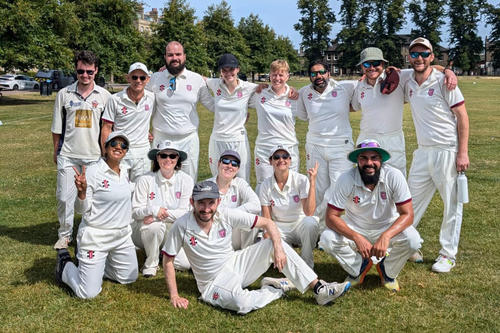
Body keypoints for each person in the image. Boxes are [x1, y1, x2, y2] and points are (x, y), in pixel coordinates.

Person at [161, 181, 350, 315]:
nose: (206, 208)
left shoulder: (225, 214)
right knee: (241, 304)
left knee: (273, 244)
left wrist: (277, 247)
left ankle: (319, 289)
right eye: (201, 202)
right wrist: (174, 296)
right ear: (192, 202)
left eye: (211, 202)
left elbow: (267, 223)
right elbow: (168, 260)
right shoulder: (182, 225)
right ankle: (274, 289)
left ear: (218, 202)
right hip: (212, 283)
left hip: (235, 263)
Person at [319, 140, 421, 291]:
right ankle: (359, 267)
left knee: (413, 240)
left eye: (374, 158)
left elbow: (408, 214)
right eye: (363, 158)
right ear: (357, 161)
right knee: (327, 239)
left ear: (381, 160)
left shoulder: (394, 176)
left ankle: (387, 271)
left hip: (387, 226)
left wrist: (386, 236)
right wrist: (356, 237)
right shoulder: (346, 178)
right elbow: (331, 217)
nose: (369, 163)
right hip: (356, 227)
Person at [405, 37, 470, 273]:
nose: (419, 58)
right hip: (423, 152)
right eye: (414, 54)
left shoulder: (444, 81)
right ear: (409, 57)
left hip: (447, 150)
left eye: (424, 54)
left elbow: (462, 116)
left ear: (432, 56)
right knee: (409, 203)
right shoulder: (408, 80)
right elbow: (386, 73)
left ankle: (447, 254)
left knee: (452, 205)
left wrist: (462, 152)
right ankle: (407, 245)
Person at [55, 132, 138, 299]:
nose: (118, 147)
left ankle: (97, 267)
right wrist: (82, 193)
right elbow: (81, 210)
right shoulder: (93, 171)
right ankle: (65, 265)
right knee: (88, 293)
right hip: (95, 235)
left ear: (126, 151)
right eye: (114, 143)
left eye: (123, 145)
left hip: (121, 235)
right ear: (105, 148)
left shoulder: (126, 171)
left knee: (129, 278)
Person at [351, 47, 458, 177]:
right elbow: (353, 106)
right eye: (367, 64)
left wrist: (448, 71)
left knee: (396, 181)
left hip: (392, 139)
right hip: (367, 138)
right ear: (361, 66)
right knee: (366, 181)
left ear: (383, 64)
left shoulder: (397, 76)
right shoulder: (359, 86)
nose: (371, 68)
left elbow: (426, 67)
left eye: (376, 63)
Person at [51, 50, 112, 249]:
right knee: (64, 198)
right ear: (76, 70)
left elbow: (111, 128)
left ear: (96, 71)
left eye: (89, 72)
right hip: (68, 155)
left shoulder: (105, 96)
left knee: (91, 199)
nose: (85, 76)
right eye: (80, 71)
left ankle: (87, 233)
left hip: (94, 157)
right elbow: (57, 128)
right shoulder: (64, 94)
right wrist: (55, 151)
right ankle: (65, 234)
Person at [295, 60, 357, 225]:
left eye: (322, 72)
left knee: (338, 186)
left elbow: (370, 80)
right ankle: (317, 227)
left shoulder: (345, 87)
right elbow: (302, 115)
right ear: (310, 76)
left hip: (341, 145)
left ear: (329, 73)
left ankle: (322, 223)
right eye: (314, 74)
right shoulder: (304, 93)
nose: (319, 76)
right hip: (315, 146)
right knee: (318, 187)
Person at [148, 41, 214, 181]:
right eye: (170, 55)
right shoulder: (155, 78)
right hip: (161, 138)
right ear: (165, 57)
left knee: (188, 182)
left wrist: (238, 111)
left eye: (178, 54)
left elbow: (212, 105)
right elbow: (144, 106)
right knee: (159, 181)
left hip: (188, 140)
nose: (174, 58)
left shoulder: (196, 79)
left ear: (184, 56)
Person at [131, 141, 194, 277]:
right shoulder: (144, 179)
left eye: (172, 156)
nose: (168, 159)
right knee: (155, 226)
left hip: (172, 230)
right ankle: (151, 263)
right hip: (144, 230)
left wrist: (155, 214)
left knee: (184, 264)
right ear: (157, 158)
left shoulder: (186, 180)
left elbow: (185, 212)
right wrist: (154, 209)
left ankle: (160, 252)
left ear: (178, 159)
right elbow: (135, 212)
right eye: (163, 155)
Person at [259, 145, 319, 268]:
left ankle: (307, 263)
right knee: (266, 240)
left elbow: (309, 212)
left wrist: (312, 183)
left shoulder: (301, 180)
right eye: (276, 157)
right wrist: (268, 234)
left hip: (299, 225)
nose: (281, 160)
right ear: (271, 161)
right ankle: (288, 256)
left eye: (285, 156)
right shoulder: (265, 185)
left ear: (290, 160)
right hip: (279, 227)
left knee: (310, 222)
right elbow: (267, 217)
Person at [206, 54, 257, 183]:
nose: (228, 73)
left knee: (241, 179)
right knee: (218, 178)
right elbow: (196, 79)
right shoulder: (215, 84)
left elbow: (271, 89)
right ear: (220, 72)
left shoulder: (248, 87)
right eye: (224, 70)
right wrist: (167, 71)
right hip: (217, 139)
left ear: (238, 69)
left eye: (232, 69)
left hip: (238, 139)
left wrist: (292, 91)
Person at [101, 62, 155, 182]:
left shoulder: (152, 98)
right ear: (128, 78)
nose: (138, 81)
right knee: (118, 189)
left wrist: (149, 131)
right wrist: (106, 154)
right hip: (120, 150)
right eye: (134, 77)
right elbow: (106, 127)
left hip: (143, 152)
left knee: (140, 191)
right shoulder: (115, 99)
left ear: (148, 80)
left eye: (142, 77)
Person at [251, 59, 300, 187]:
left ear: (287, 76)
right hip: (264, 147)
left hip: (288, 147)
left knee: (291, 186)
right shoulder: (260, 93)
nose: (277, 78)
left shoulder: (295, 97)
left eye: (281, 75)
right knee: (264, 186)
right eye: (274, 74)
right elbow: (237, 87)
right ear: (270, 75)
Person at [205, 150, 260, 250]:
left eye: (234, 164)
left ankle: (245, 255)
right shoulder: (206, 185)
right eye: (226, 161)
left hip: (234, 234)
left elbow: (256, 205)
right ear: (218, 164)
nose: (229, 166)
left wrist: (231, 214)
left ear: (237, 169)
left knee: (252, 217)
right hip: (213, 234)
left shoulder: (240, 183)